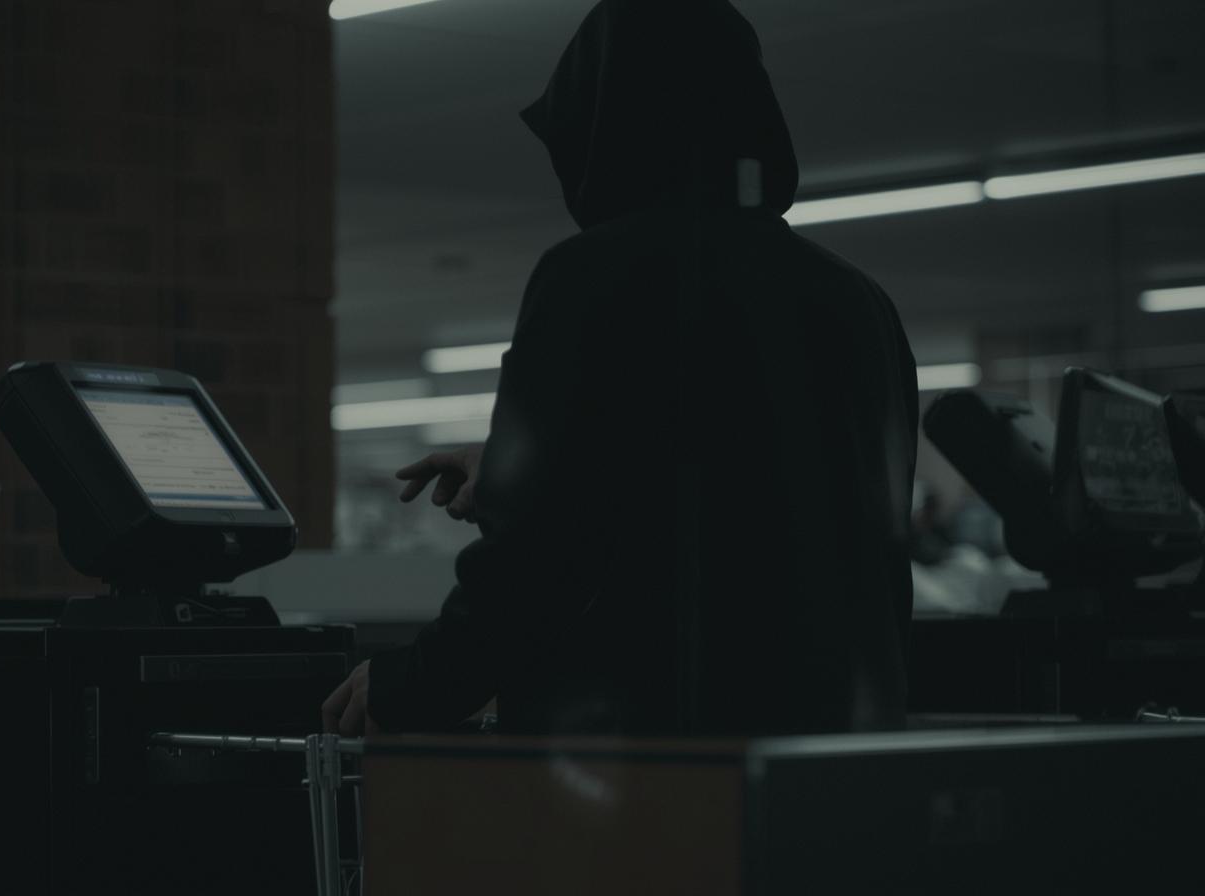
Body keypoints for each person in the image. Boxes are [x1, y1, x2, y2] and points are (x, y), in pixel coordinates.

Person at [323, 0, 918, 737]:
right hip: (838, 747)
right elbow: (754, 487)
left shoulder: (594, 277)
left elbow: (541, 559)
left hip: (659, 757)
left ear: (609, 126)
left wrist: (413, 686)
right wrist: (510, 472)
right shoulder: (860, 301)